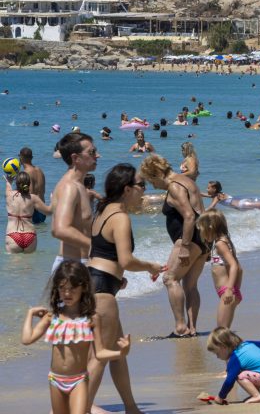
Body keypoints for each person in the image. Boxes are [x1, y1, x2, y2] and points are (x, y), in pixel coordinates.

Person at [85, 164, 163, 414]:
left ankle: (131, 408)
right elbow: (126, 259)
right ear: (127, 189)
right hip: (102, 289)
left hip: (96, 281)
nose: (144, 190)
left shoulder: (103, 211)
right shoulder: (120, 217)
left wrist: (118, 277)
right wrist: (150, 265)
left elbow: (98, 252)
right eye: (141, 185)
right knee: (100, 355)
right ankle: (80, 409)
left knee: (117, 351)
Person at [21, 261, 130, 414]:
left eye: (72, 289)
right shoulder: (53, 317)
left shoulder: (92, 319)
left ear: (84, 287)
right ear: (57, 289)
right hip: (55, 380)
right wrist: (30, 314)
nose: (67, 293)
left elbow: (99, 353)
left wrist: (121, 353)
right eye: (62, 288)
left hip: (79, 380)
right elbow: (26, 339)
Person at [140, 154, 207, 337]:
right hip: (203, 238)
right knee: (190, 285)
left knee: (170, 279)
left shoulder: (175, 186)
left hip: (189, 240)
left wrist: (185, 247)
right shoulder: (185, 179)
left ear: (157, 173)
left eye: (151, 180)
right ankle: (191, 329)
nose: (153, 185)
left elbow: (189, 216)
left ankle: (180, 328)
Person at [51, 132, 99, 274]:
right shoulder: (70, 187)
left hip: (78, 265)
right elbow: (59, 229)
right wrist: (97, 249)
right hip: (71, 269)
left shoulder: (79, 186)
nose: (97, 155)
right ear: (75, 158)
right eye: (92, 152)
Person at [207, 327, 260, 404]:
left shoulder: (235, 358)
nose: (217, 357)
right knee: (248, 368)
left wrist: (220, 397)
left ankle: (257, 396)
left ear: (223, 347)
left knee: (239, 375)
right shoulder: (247, 343)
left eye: (217, 353)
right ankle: (255, 394)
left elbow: (229, 381)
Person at [197, 210, 243, 328]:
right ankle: (231, 346)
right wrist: (236, 290)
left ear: (210, 227)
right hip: (230, 291)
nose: (201, 232)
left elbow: (234, 266)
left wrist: (229, 290)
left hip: (227, 291)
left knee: (221, 331)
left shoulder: (220, 244)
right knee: (224, 330)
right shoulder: (224, 241)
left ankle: (231, 346)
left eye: (201, 229)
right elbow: (240, 269)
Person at [6, 170, 51, 252]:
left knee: (13, 264)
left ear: (17, 183)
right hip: (30, 235)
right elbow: (49, 212)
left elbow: (8, 187)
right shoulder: (33, 198)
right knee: (29, 264)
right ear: (29, 184)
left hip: (13, 235)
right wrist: (53, 201)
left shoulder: (10, 195)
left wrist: (9, 181)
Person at [19, 146, 47, 224]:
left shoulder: (26, 173)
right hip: (43, 209)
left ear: (21, 158)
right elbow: (43, 190)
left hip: (33, 211)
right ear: (32, 157)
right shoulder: (39, 170)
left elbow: (30, 193)